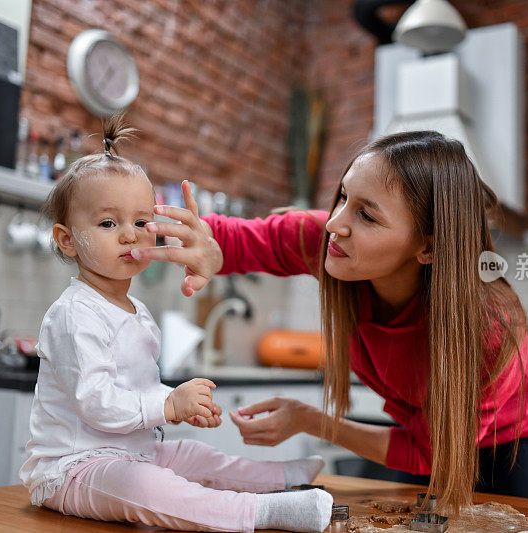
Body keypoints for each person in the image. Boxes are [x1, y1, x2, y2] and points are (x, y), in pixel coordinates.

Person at [132, 130, 528, 516]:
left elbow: (427, 451)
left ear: (429, 248)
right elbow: (238, 240)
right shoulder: (327, 242)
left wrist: (310, 419)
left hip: (518, 440)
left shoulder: (485, 330)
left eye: (367, 214)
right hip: (430, 440)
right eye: (343, 196)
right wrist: (202, 244)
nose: (335, 224)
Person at [20, 115, 332, 533]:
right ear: (67, 239)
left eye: (141, 222)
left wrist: (179, 404)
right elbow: (95, 402)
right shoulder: (75, 313)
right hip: (72, 468)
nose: (130, 235)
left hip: (134, 451)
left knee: (194, 456)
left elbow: (141, 393)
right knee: (149, 488)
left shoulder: (138, 312)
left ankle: (281, 480)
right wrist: (167, 405)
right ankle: (262, 513)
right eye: (109, 223)